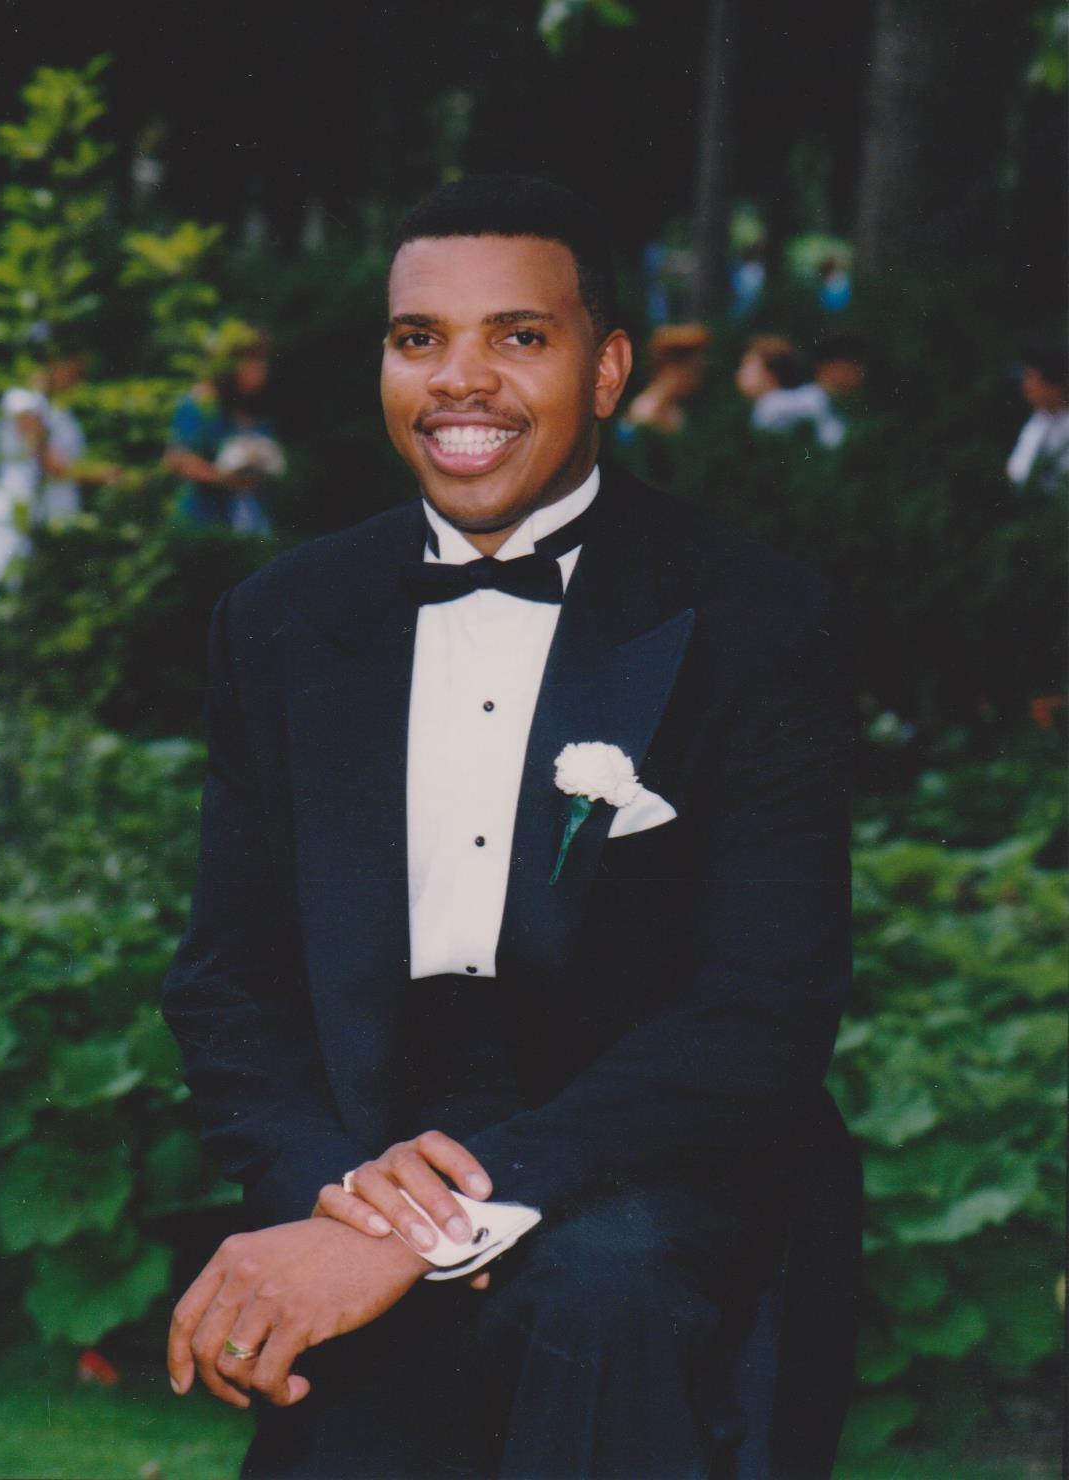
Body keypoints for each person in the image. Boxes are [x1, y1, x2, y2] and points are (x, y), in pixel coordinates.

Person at [161, 174, 855, 1478]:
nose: (458, 380)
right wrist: (335, 1197)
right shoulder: (281, 618)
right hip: (366, 1151)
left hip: (649, 1167)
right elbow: (227, 982)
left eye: (518, 336)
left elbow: (763, 1005)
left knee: (599, 1310)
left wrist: (430, 1219)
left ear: (608, 370)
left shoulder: (757, 616)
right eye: (418, 337)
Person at [0, 345, 117, 611]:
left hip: (56, 510)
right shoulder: (22, 403)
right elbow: (48, 462)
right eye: (73, 369)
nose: (76, 378)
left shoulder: (60, 411)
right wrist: (105, 475)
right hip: (24, 505)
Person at [164, 331, 285, 535]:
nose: (260, 370)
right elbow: (176, 459)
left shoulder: (255, 409)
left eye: (262, 362)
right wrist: (226, 479)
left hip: (251, 524)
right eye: (252, 361)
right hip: (204, 524)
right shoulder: (201, 404)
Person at [619, 322, 712, 438]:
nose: (698, 379)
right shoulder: (645, 412)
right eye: (695, 371)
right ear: (673, 367)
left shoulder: (675, 412)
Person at [1006, 346, 1069, 494]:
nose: (1025, 387)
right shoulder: (1038, 422)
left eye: (1031, 379)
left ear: (1054, 385)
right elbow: (1016, 471)